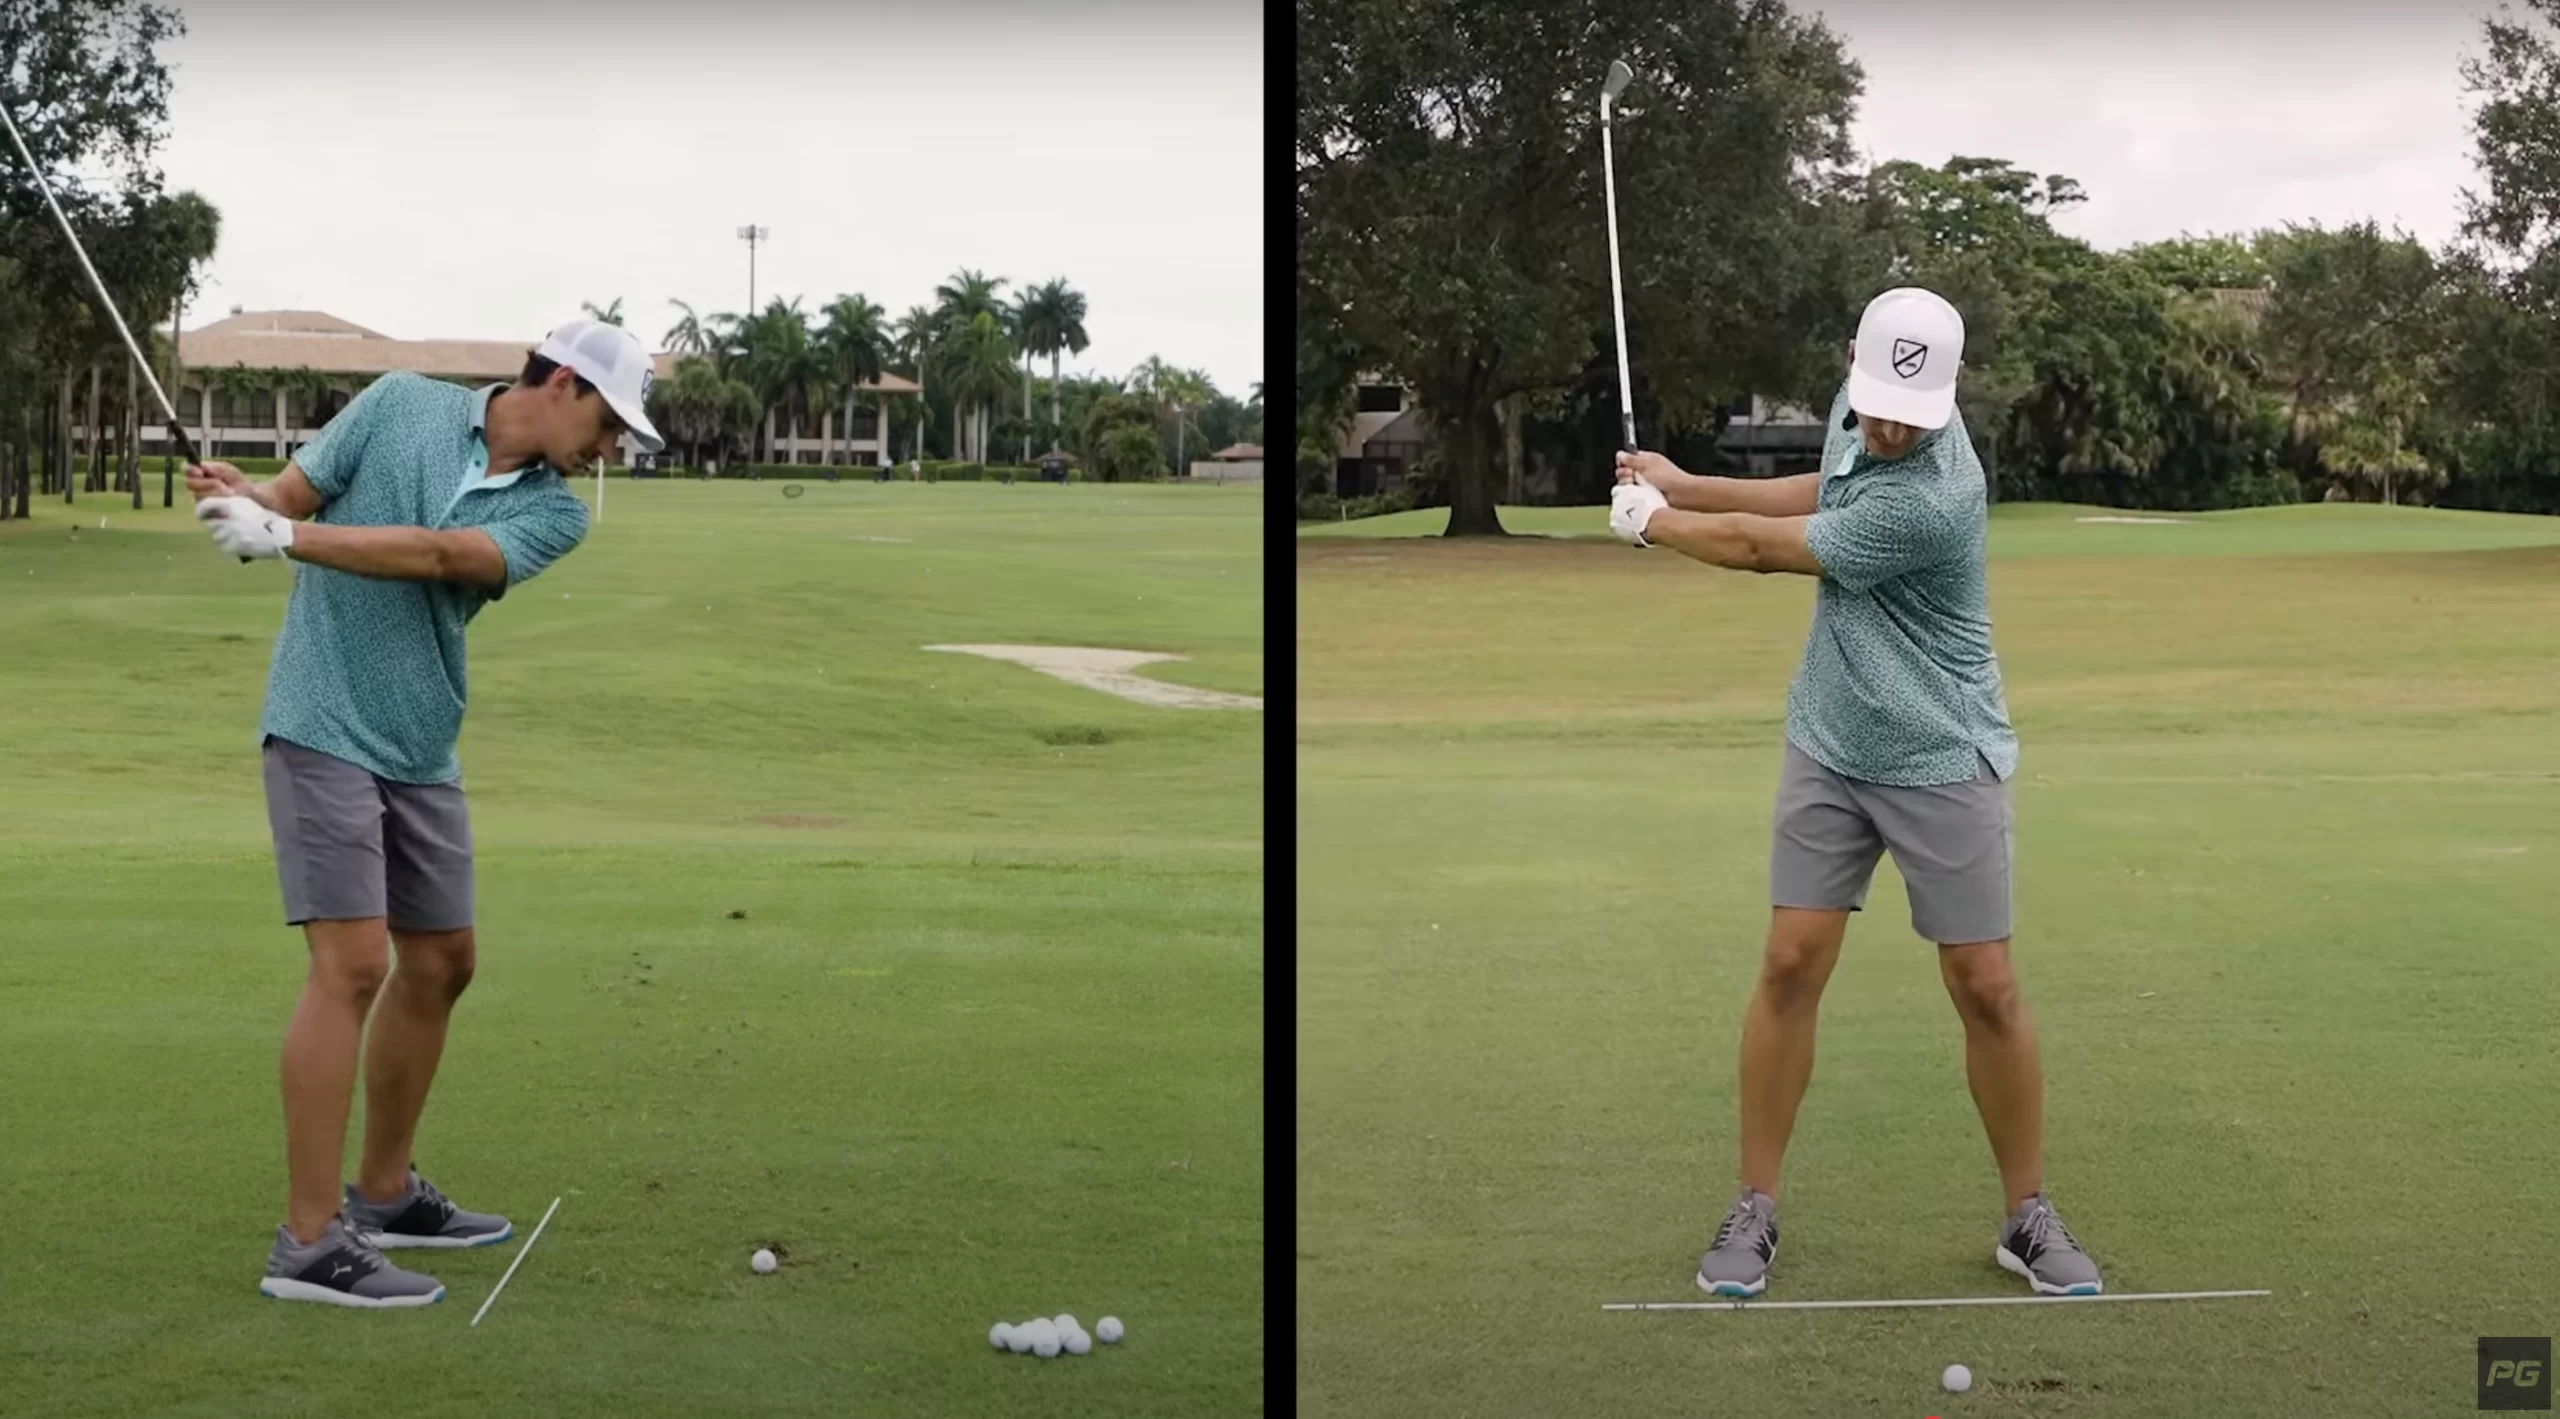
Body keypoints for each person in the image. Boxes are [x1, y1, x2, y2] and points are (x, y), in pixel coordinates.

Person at [1607, 287, 2101, 1299]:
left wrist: (1656, 524)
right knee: (1789, 963)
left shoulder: (1937, 495)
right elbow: (1823, 488)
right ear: (1850, 365)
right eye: (1872, 405)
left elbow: (1764, 552)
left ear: (1946, 398)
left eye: (1907, 419)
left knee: (1985, 986)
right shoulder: (1864, 413)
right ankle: (1754, 1204)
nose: (1884, 428)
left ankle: (2026, 1214)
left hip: (1940, 750)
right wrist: (1686, 481)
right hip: (1831, 736)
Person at [187, 317, 665, 1308]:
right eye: (611, 421)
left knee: (444, 961)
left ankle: (385, 1193)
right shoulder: (400, 400)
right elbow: (293, 494)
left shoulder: (558, 513)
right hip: (321, 716)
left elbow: (446, 557)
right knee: (352, 962)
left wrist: (287, 535)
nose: (613, 446)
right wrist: (249, 504)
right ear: (563, 382)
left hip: (420, 741)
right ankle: (310, 1244)